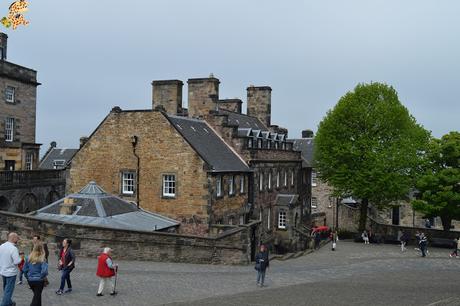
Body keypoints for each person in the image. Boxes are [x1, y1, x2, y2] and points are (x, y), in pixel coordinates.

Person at [0, 232, 21, 306]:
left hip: (3, 271)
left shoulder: (1, 246)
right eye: (17, 238)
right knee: (8, 291)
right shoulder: (13, 248)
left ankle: (9, 303)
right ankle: (4, 304)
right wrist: (20, 258)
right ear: (13, 238)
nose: (18, 239)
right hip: (11, 273)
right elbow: (17, 261)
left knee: (6, 289)